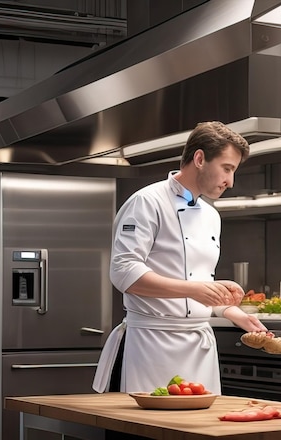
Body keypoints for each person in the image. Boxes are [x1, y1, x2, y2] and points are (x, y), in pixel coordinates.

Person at [93, 121, 267, 395]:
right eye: (227, 168)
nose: (230, 181)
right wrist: (197, 290)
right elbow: (124, 272)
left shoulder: (211, 215)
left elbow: (197, 284)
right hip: (152, 345)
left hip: (198, 347)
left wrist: (233, 312)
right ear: (199, 158)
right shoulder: (147, 202)